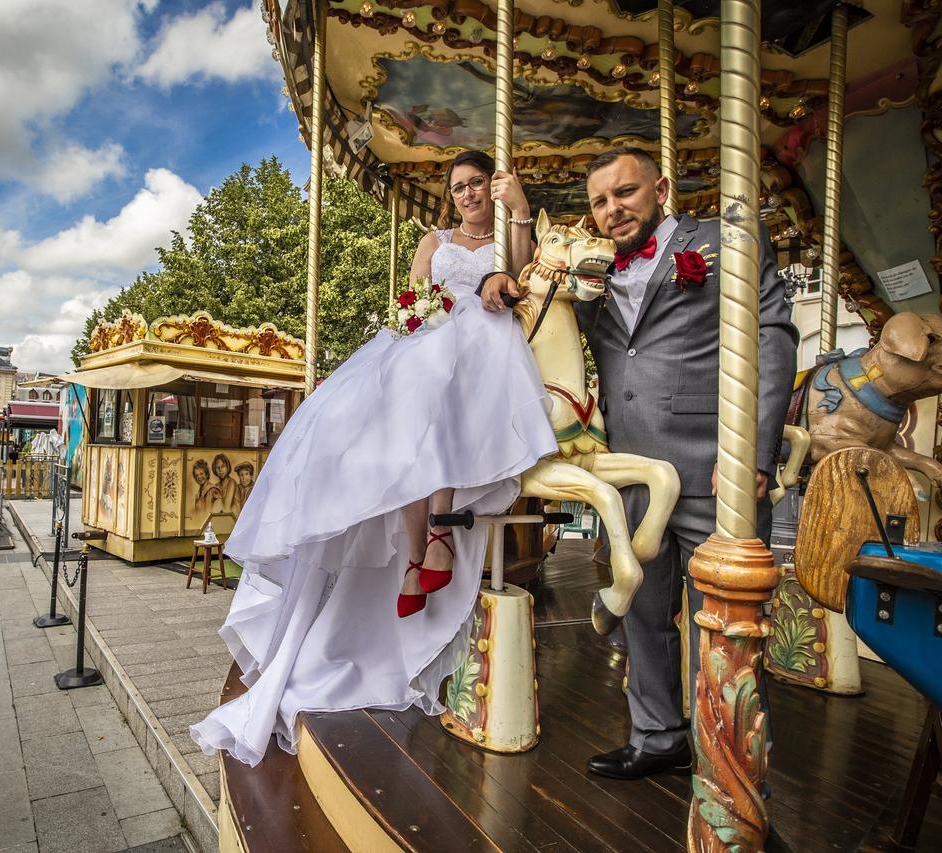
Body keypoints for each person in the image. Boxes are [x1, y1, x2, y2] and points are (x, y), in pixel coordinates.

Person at [191, 151, 558, 767]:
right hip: (433, 337)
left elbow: (521, 279)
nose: (468, 194)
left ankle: (431, 545)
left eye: (477, 185)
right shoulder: (435, 238)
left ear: (492, 186)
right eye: (459, 187)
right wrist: (420, 316)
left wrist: (517, 209)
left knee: (436, 393)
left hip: (490, 339)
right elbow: (415, 295)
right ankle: (423, 548)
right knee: (395, 417)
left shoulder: (509, 232)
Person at [481, 146, 798, 780]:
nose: (612, 211)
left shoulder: (719, 240)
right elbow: (541, 295)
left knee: (727, 627)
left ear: (660, 186)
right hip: (630, 467)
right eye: (600, 201)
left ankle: (731, 762)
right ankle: (658, 735)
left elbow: (772, 335)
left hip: (715, 465)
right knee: (646, 616)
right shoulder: (593, 272)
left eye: (624, 193)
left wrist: (753, 451)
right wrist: (497, 279)